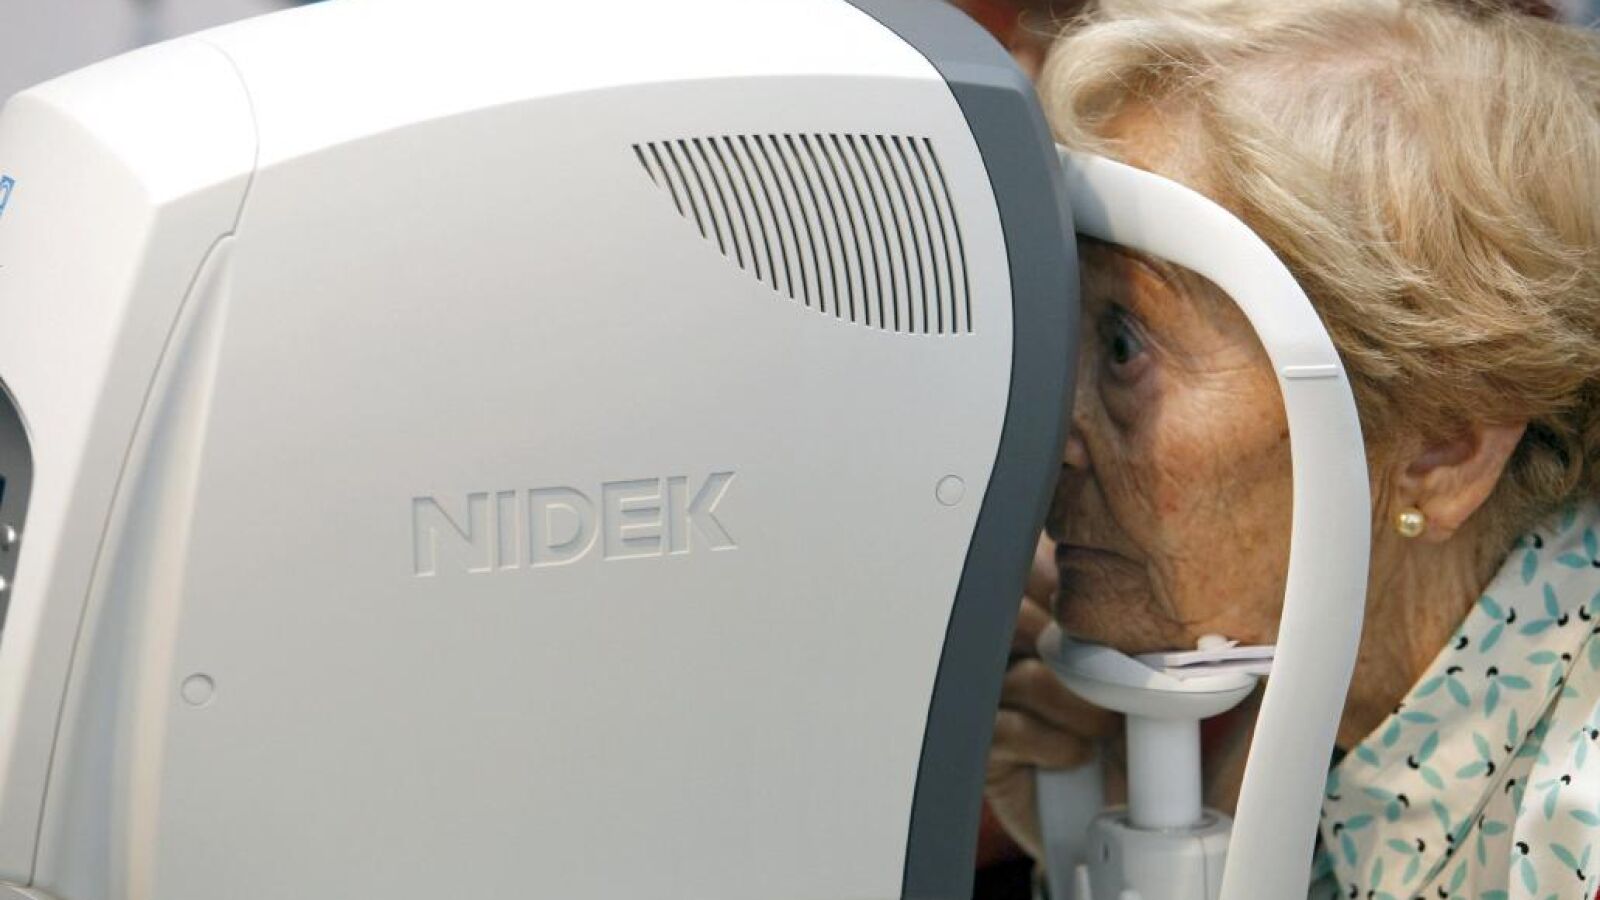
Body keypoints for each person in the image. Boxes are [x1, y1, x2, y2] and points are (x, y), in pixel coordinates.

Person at [985, 1, 1600, 897]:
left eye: (1123, 345)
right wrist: (1113, 836)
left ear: (1444, 449)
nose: (1050, 434)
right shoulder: (1308, 731)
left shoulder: (1577, 815)